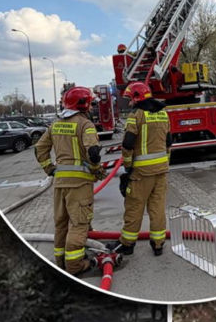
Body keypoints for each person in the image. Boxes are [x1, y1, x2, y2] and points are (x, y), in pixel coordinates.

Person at [34, 86, 103, 275]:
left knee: (61, 224)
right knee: (79, 224)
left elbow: (39, 148)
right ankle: (74, 266)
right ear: (84, 104)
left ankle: (61, 261)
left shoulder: (55, 124)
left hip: (60, 183)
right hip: (79, 184)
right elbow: (93, 153)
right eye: (91, 102)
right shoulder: (84, 124)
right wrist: (97, 170)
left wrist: (50, 169)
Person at [108, 81, 171, 257]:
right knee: (157, 209)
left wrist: (128, 166)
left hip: (141, 174)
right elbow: (169, 142)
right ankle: (158, 244)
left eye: (130, 99)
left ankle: (127, 244)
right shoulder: (163, 114)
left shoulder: (136, 116)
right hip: (161, 171)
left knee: (134, 207)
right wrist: (164, 164)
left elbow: (128, 144)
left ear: (137, 97)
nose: (129, 103)